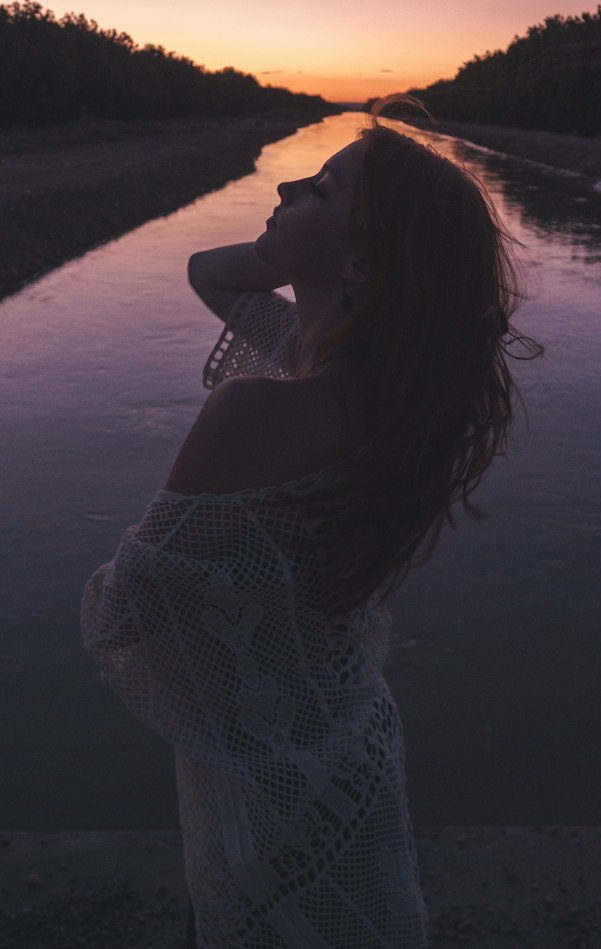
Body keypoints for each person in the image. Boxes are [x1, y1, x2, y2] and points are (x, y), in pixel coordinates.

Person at [81, 98, 539, 948]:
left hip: (271, 789)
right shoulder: (380, 389)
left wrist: (289, 252)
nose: (287, 179)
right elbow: (207, 272)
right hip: (342, 748)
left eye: (319, 189)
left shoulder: (266, 406)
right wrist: (298, 245)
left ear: (362, 258)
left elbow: (126, 615)